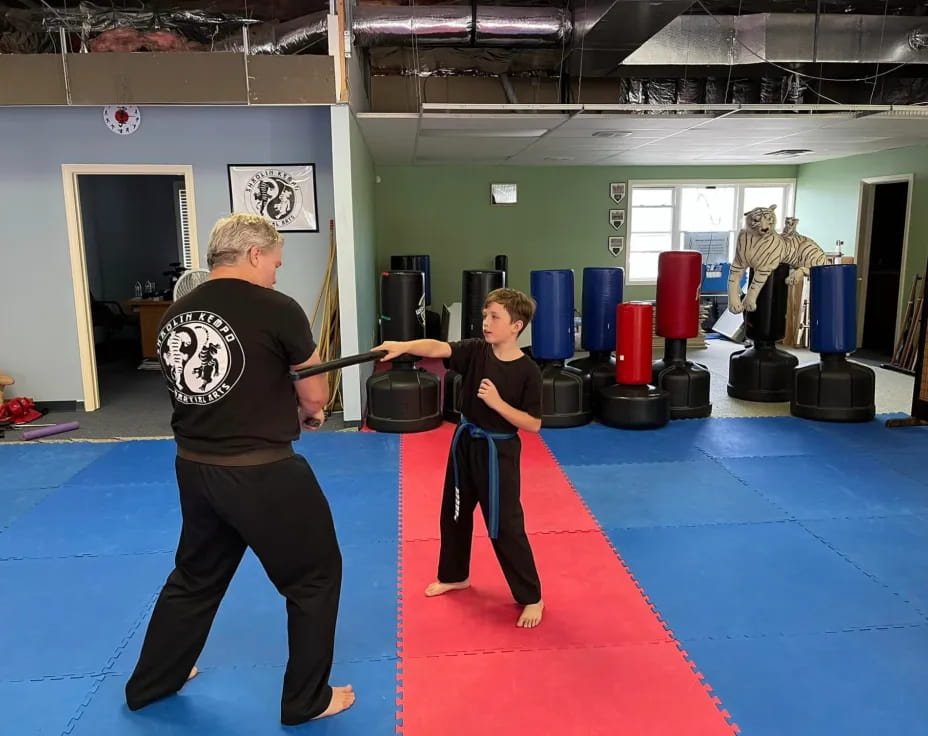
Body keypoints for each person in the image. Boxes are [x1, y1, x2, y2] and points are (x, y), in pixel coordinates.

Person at [124, 213, 355, 725]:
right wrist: (308, 411)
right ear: (254, 254)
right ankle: (307, 700)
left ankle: (154, 681)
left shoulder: (174, 313)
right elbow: (315, 393)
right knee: (315, 579)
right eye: (275, 262)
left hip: (195, 468)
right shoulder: (277, 308)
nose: (276, 273)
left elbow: (211, 390)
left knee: (195, 577)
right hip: (263, 473)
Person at [374, 288, 544, 628]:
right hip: (464, 442)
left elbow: (534, 424)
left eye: (495, 317)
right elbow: (438, 348)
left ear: (516, 326)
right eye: (485, 315)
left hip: (498, 452)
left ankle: (531, 597)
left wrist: (497, 403)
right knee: (453, 513)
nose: (486, 322)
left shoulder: (528, 371)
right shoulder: (476, 351)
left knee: (505, 525)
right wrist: (405, 347)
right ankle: (455, 575)